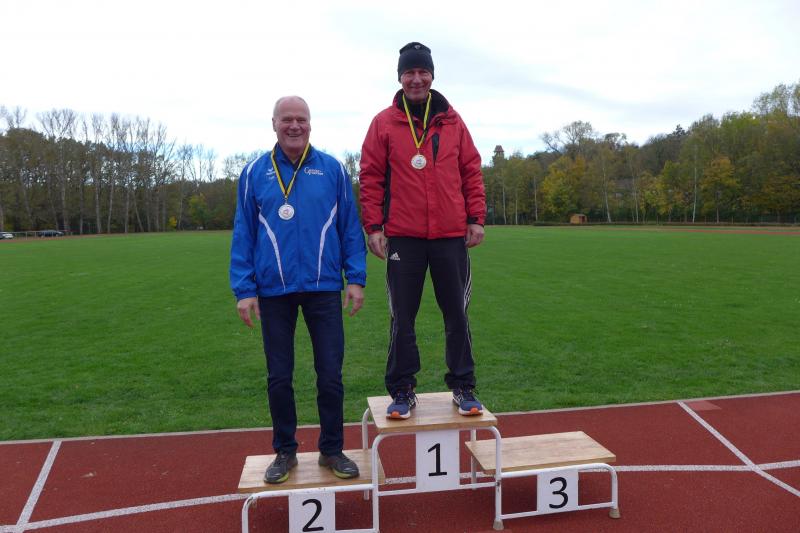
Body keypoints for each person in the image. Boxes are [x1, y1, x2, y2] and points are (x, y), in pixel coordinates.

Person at [230, 96, 366, 483]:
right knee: (279, 377)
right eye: (287, 119)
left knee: (330, 374)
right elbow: (243, 232)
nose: (294, 125)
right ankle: (285, 451)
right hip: (274, 290)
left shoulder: (332, 169)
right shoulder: (254, 172)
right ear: (273, 123)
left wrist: (355, 278)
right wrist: (244, 289)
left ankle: (332, 449)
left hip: (324, 287)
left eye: (301, 119)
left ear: (310, 124)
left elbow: (349, 227)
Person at [358, 42, 486, 420]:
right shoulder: (384, 123)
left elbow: (471, 171)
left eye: (422, 72)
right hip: (404, 236)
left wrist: (476, 218)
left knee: (457, 314)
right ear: (400, 77)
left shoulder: (453, 121)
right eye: (409, 72)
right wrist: (374, 226)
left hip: (450, 235)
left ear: (432, 75)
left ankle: (463, 386)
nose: (416, 79)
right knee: (402, 318)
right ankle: (402, 390)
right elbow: (370, 177)